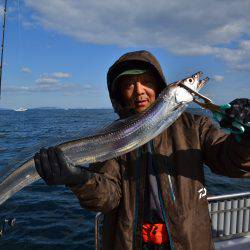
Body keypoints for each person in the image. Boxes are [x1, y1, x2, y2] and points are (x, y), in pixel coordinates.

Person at [34, 50, 250, 250]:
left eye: (146, 82)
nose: (139, 91)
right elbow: (107, 199)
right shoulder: (113, 137)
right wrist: (79, 179)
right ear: (119, 93)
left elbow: (232, 163)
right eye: (129, 85)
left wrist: (245, 139)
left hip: (188, 242)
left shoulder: (194, 126)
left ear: (160, 87)